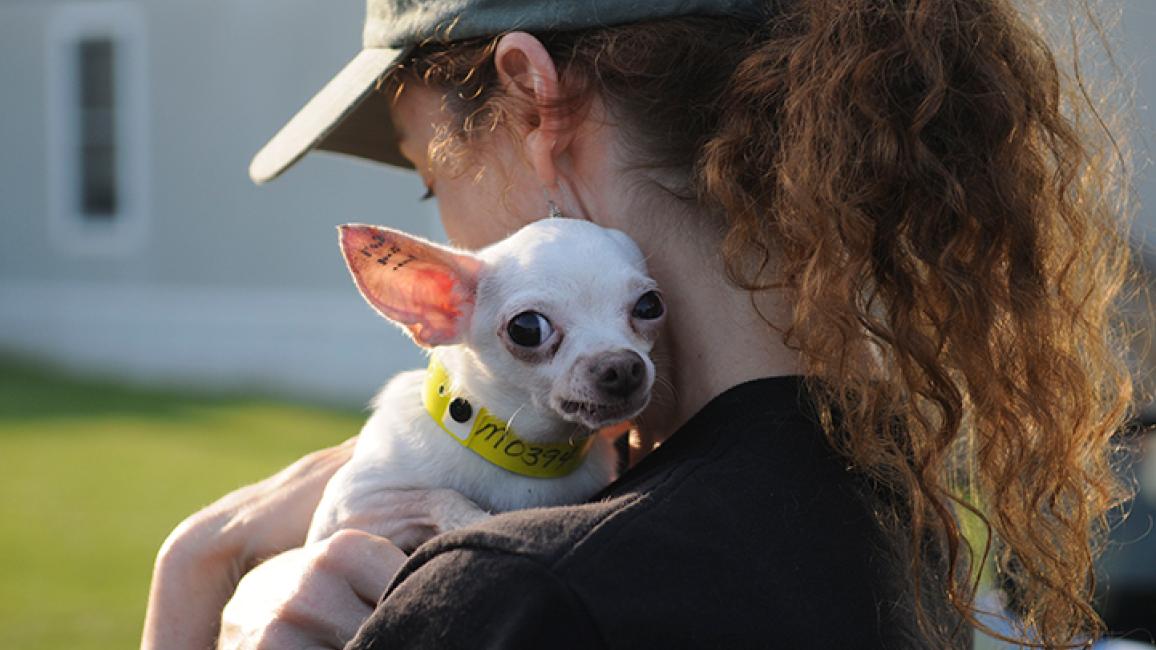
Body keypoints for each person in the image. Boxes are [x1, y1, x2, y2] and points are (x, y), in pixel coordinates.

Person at [141, 0, 1139, 648]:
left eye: (428, 177)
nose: (444, 227)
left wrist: (194, 574)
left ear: (535, 101)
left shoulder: (523, 597)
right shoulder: (904, 520)